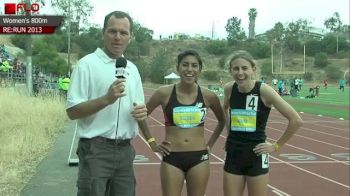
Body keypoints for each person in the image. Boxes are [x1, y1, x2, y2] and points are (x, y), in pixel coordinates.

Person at [66, 11, 148, 196]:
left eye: (123, 33)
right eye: (112, 31)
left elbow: (139, 107)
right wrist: (106, 99)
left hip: (125, 151)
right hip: (95, 150)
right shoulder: (86, 65)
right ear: (103, 33)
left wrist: (141, 113)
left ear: (130, 37)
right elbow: (72, 111)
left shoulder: (133, 69)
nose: (117, 37)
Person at [138, 50, 225, 196]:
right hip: (172, 157)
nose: (189, 69)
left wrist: (210, 144)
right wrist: (152, 143)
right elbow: (141, 116)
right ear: (178, 68)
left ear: (200, 70)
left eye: (194, 66)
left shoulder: (209, 96)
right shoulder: (163, 93)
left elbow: (222, 121)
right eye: (185, 65)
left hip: (199, 158)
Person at [222, 50, 303, 196]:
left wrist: (276, 146)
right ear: (231, 71)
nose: (240, 73)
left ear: (253, 69)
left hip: (257, 155)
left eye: (244, 68)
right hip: (233, 153)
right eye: (236, 68)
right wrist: (229, 133)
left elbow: (296, 120)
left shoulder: (264, 91)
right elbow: (224, 109)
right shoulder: (229, 89)